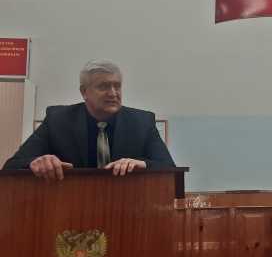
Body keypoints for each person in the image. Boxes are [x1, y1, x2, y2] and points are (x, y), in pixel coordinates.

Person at [3, 60, 175, 180]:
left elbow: (170, 170)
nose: (113, 93)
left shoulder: (142, 122)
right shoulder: (58, 120)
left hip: (127, 210)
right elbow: (11, 166)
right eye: (104, 86)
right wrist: (35, 163)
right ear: (84, 92)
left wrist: (143, 165)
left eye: (117, 86)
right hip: (72, 209)